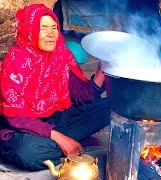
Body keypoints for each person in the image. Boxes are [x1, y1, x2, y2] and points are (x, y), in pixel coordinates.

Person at [0, 4, 110, 171]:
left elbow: (83, 95)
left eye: (54, 27)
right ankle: (69, 144)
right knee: (27, 153)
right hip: (25, 130)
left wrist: (103, 69)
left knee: (113, 107)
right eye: (43, 28)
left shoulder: (61, 57)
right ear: (29, 31)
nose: (51, 33)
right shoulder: (14, 63)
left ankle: (64, 145)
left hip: (59, 121)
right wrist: (58, 137)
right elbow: (16, 118)